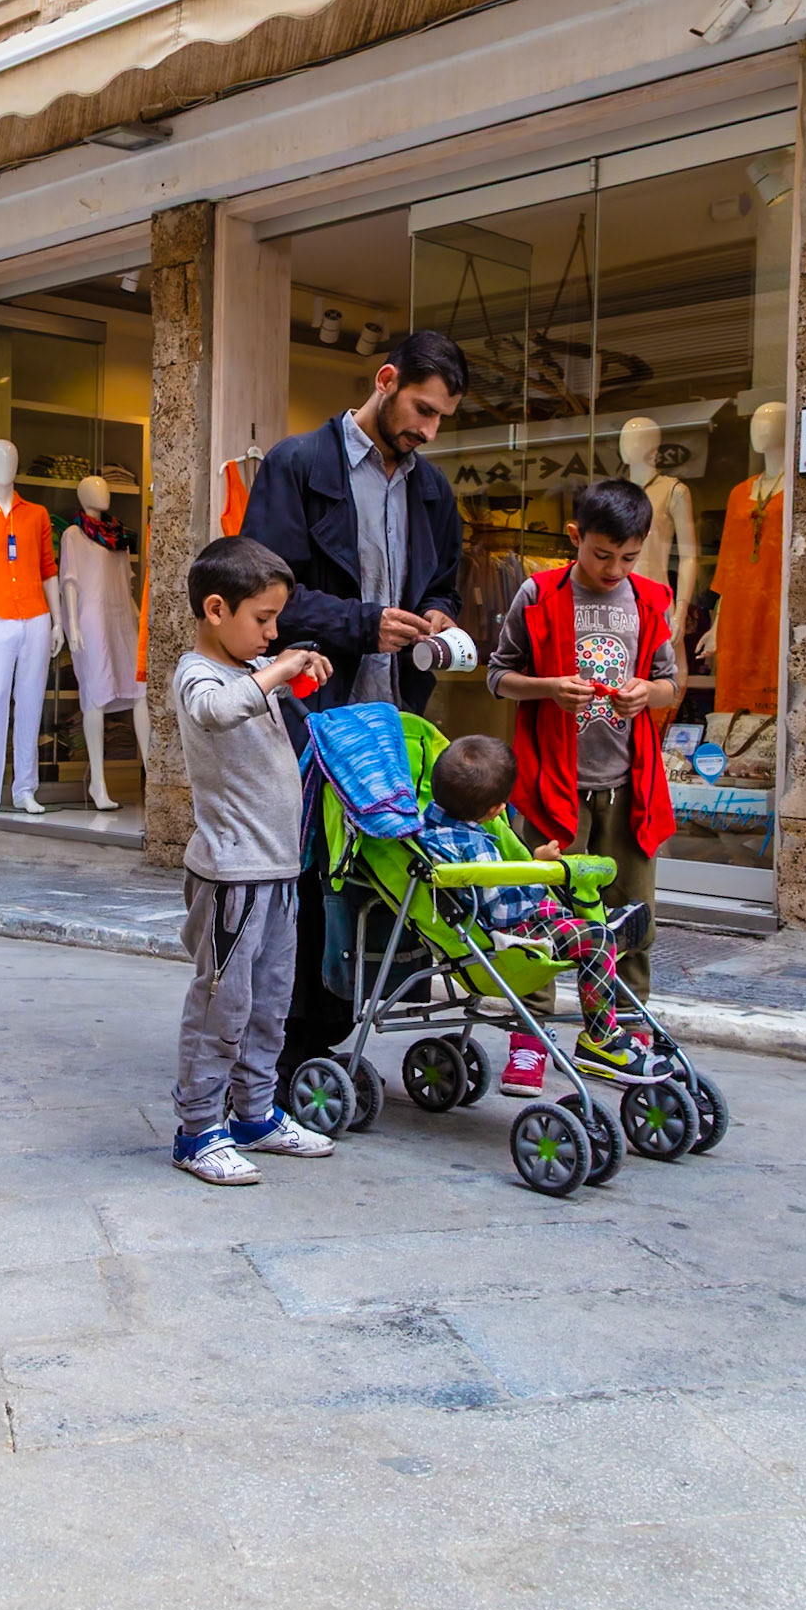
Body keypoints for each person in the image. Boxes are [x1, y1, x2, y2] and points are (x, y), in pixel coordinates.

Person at [239, 329, 470, 1100]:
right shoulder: (295, 465)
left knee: (367, 879)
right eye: (420, 410)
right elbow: (263, 594)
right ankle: (277, 1052)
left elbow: (444, 581)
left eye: (440, 419)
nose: (427, 430)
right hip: (311, 709)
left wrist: (436, 618)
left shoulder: (432, 489)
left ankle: (332, 1035)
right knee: (302, 877)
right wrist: (360, 622)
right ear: (384, 380)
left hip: (393, 712)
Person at [488, 477, 678, 1094]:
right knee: (540, 919)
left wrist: (648, 695)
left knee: (631, 917)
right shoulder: (538, 593)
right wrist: (547, 686)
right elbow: (498, 676)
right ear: (576, 539)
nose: (613, 568)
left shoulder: (651, 601)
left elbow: (670, 684)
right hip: (552, 788)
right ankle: (530, 1040)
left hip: (629, 788)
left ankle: (622, 1033)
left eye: (627, 557)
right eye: (601, 555)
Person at [171, 536, 336, 1185]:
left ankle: (255, 1115)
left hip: (277, 870)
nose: (271, 632)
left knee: (269, 1003)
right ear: (215, 609)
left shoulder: (247, 671)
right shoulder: (199, 676)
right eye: (261, 619)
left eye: (275, 620)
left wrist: (284, 671)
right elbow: (216, 712)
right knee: (222, 1005)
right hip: (231, 876)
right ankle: (197, 1130)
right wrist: (276, 670)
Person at [419, 735, 675, 1085]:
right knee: (595, 939)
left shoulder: (431, 827)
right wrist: (536, 875)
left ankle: (604, 931)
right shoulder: (474, 849)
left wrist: (531, 867)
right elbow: (505, 909)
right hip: (509, 937)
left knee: (566, 917)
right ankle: (598, 1041)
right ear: (496, 810)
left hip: (489, 927)